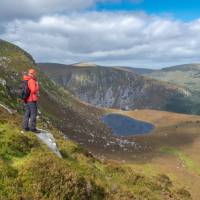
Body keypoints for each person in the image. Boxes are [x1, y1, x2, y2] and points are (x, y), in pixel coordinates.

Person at [22, 68, 40, 133]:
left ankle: (25, 127)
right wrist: (37, 85)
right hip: (31, 99)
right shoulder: (31, 80)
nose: (35, 75)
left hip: (27, 99)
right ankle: (33, 128)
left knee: (27, 113)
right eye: (34, 73)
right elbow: (33, 90)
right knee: (33, 114)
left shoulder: (27, 79)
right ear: (32, 74)